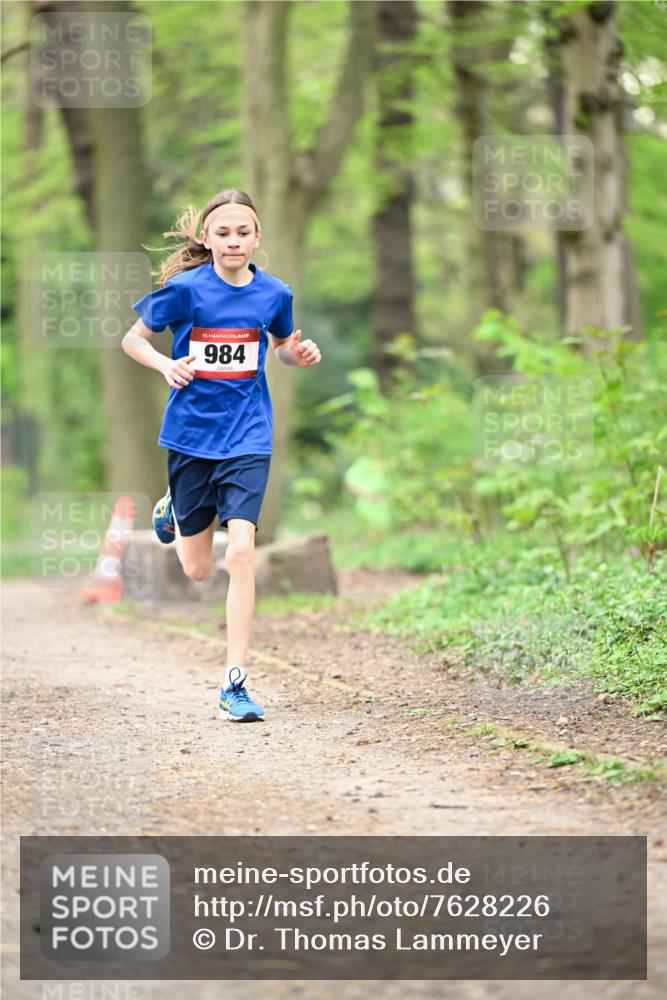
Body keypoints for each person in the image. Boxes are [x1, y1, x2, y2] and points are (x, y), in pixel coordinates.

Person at [122, 189, 321, 722]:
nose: (234, 241)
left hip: (249, 435)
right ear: (206, 239)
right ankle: (173, 510)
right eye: (224, 232)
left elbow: (279, 344)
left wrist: (295, 354)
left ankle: (234, 682)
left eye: (244, 232)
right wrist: (166, 366)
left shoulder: (275, 293)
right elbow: (132, 340)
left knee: (240, 556)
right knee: (195, 568)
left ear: (257, 238)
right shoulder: (185, 291)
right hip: (190, 436)